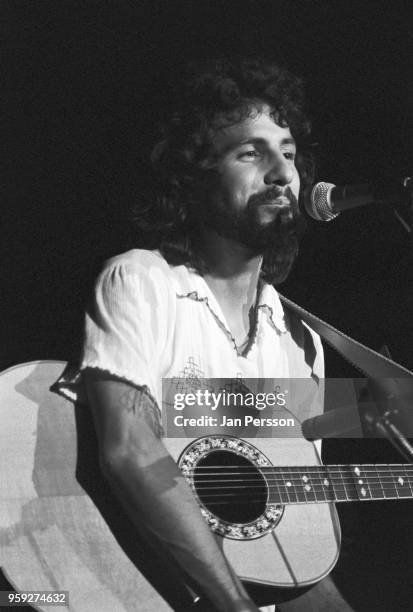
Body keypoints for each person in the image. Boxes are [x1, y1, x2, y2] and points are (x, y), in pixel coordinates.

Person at [57, 58, 333, 612]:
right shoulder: (141, 280)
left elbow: (288, 519)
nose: (282, 173)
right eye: (250, 152)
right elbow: (131, 449)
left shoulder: (303, 343)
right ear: (195, 175)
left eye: (289, 153)